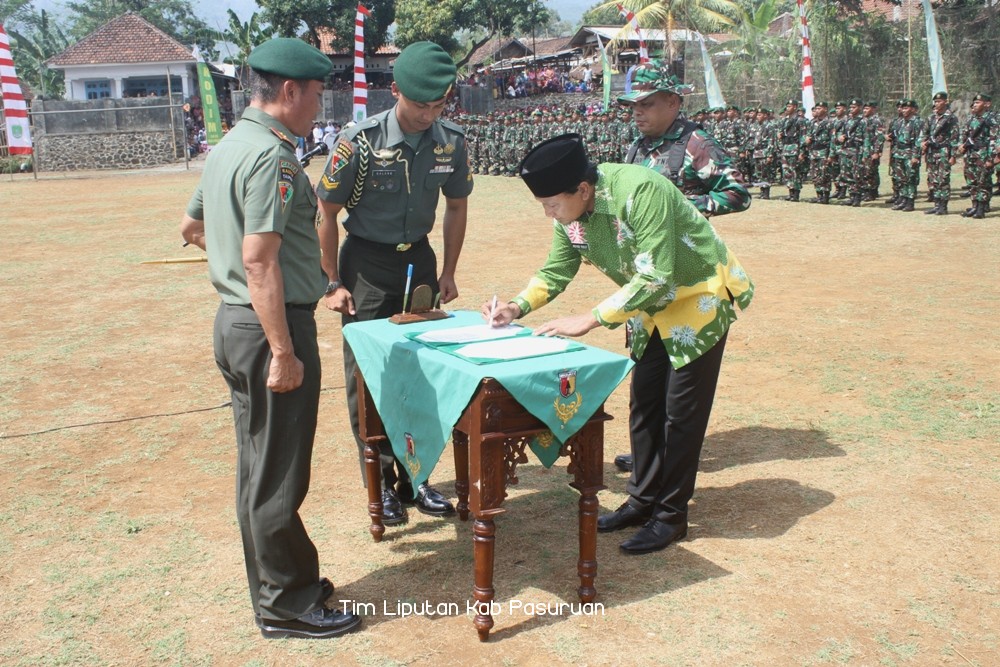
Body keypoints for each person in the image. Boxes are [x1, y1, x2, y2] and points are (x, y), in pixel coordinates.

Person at [483, 134, 753, 554]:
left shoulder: (639, 190)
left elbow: (657, 274)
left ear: (584, 190)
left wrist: (591, 319)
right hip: (648, 308)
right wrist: (517, 307)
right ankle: (642, 501)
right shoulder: (570, 218)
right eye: (544, 207)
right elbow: (558, 267)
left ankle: (670, 516)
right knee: (644, 406)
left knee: (681, 415)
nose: (551, 215)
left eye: (553, 204)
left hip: (696, 298)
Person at [178, 38, 362, 639]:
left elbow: (192, 227)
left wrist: (239, 271)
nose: (318, 104)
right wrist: (283, 349)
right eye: (315, 93)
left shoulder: (230, 145)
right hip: (269, 329)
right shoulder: (274, 158)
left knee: (258, 466)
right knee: (279, 472)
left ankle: (282, 583)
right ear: (290, 91)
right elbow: (260, 263)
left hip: (237, 323)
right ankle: (286, 605)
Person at [316, 41, 474, 526]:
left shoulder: (451, 142)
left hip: (419, 267)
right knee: (369, 376)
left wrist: (447, 271)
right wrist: (332, 281)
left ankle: (417, 477)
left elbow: (457, 204)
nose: (429, 114)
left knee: (423, 373)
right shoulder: (358, 141)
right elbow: (325, 209)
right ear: (395, 90)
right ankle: (380, 483)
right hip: (366, 267)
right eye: (419, 103)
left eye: (439, 104)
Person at [613, 58, 750, 473]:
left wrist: (684, 207)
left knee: (679, 381)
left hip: (688, 280)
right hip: (648, 279)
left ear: (673, 102)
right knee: (647, 383)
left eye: (647, 104)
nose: (637, 112)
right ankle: (646, 455)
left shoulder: (695, 144)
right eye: (633, 106)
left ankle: (669, 462)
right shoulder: (638, 147)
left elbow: (737, 193)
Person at [920, 91, 960, 215]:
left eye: (939, 101)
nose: (937, 104)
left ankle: (943, 206)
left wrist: (953, 155)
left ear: (945, 102)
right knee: (933, 179)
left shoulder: (950, 118)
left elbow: (954, 138)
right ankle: (936, 204)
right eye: (935, 102)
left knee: (943, 179)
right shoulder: (931, 118)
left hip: (944, 151)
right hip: (932, 151)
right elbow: (924, 133)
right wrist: (922, 143)